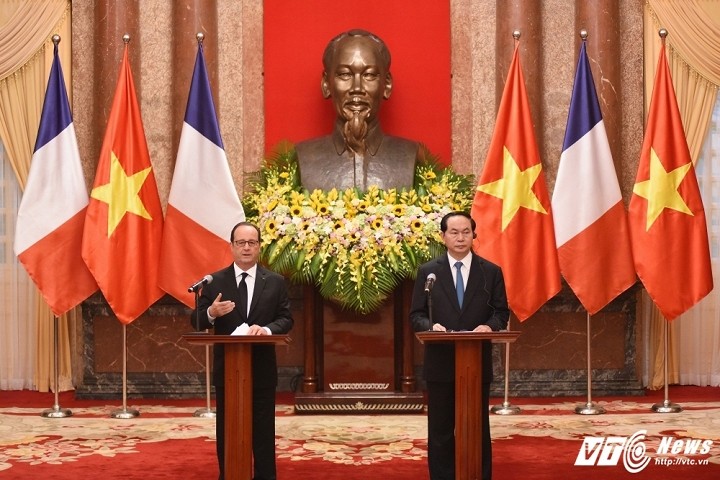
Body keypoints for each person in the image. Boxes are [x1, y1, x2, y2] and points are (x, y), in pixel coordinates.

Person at [409, 211, 509, 480]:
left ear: (474, 235)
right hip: (440, 361)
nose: (460, 237)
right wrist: (430, 327)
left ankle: (478, 475)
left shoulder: (490, 272)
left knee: (477, 427)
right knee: (440, 429)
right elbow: (416, 314)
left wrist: (490, 326)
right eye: (454, 232)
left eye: (466, 231)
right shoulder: (428, 273)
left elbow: (501, 312)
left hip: (475, 362)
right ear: (443, 237)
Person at [191, 221, 294, 480]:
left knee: (262, 432)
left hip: (261, 368)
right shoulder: (214, 281)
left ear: (259, 247)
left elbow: (286, 318)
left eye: (252, 243)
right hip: (229, 371)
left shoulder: (275, 282)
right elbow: (197, 320)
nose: (246, 248)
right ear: (232, 247)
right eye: (241, 243)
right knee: (228, 430)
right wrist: (211, 313)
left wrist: (267, 330)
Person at [296, 29, 419, 192]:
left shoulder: (413, 156)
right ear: (326, 84)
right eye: (344, 75)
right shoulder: (301, 157)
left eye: (369, 75)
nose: (357, 88)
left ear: (387, 85)